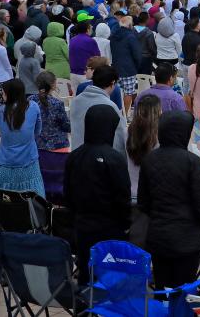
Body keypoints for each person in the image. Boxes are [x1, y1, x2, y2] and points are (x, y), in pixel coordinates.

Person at [138, 111, 200, 289]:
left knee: (162, 287)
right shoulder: (192, 161)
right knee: (185, 289)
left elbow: (143, 201)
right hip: (187, 238)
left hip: (158, 236)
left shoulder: (150, 159)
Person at [64, 105, 131, 282]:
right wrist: (126, 223)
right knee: (110, 276)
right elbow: (122, 196)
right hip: (110, 228)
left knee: (86, 273)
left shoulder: (75, 156)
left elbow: (67, 193)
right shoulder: (114, 158)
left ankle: (85, 307)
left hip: (83, 226)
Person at [0, 79, 44, 195]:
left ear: (10, 94)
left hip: (4, 163)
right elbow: (38, 131)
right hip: (29, 162)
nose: (2, 94)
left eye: (4, 92)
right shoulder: (34, 106)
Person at [69, 65, 126, 152]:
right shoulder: (110, 106)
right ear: (112, 83)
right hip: (100, 159)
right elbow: (119, 138)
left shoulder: (76, 101)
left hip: (77, 156)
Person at [126, 95, 160, 200]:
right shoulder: (160, 136)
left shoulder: (126, 133)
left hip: (129, 190)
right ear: (157, 112)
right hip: (152, 193)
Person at [31, 72, 70, 152]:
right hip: (57, 146)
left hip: (36, 145)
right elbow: (66, 126)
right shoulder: (57, 103)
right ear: (53, 85)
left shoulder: (30, 100)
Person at [110, 14, 142, 113]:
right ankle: (124, 114)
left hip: (116, 68)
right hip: (129, 69)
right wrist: (137, 66)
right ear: (129, 25)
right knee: (128, 93)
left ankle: (116, 112)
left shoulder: (113, 36)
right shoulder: (131, 36)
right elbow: (137, 54)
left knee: (115, 92)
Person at [68, 20, 100, 88]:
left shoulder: (72, 40)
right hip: (85, 74)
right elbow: (97, 57)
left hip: (73, 72)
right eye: (90, 28)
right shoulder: (90, 41)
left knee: (76, 96)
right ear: (87, 29)